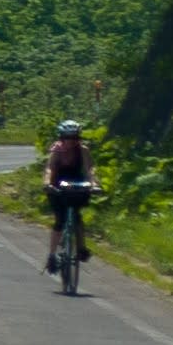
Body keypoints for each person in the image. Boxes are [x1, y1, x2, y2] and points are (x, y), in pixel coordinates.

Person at [42, 116, 96, 273]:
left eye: (74, 137)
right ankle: (52, 255)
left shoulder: (83, 150)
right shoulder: (56, 150)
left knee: (77, 218)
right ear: (61, 138)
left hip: (77, 184)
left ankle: (81, 247)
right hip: (57, 185)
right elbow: (49, 169)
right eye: (67, 137)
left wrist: (94, 184)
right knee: (60, 220)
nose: (70, 141)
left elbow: (89, 169)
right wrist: (47, 184)